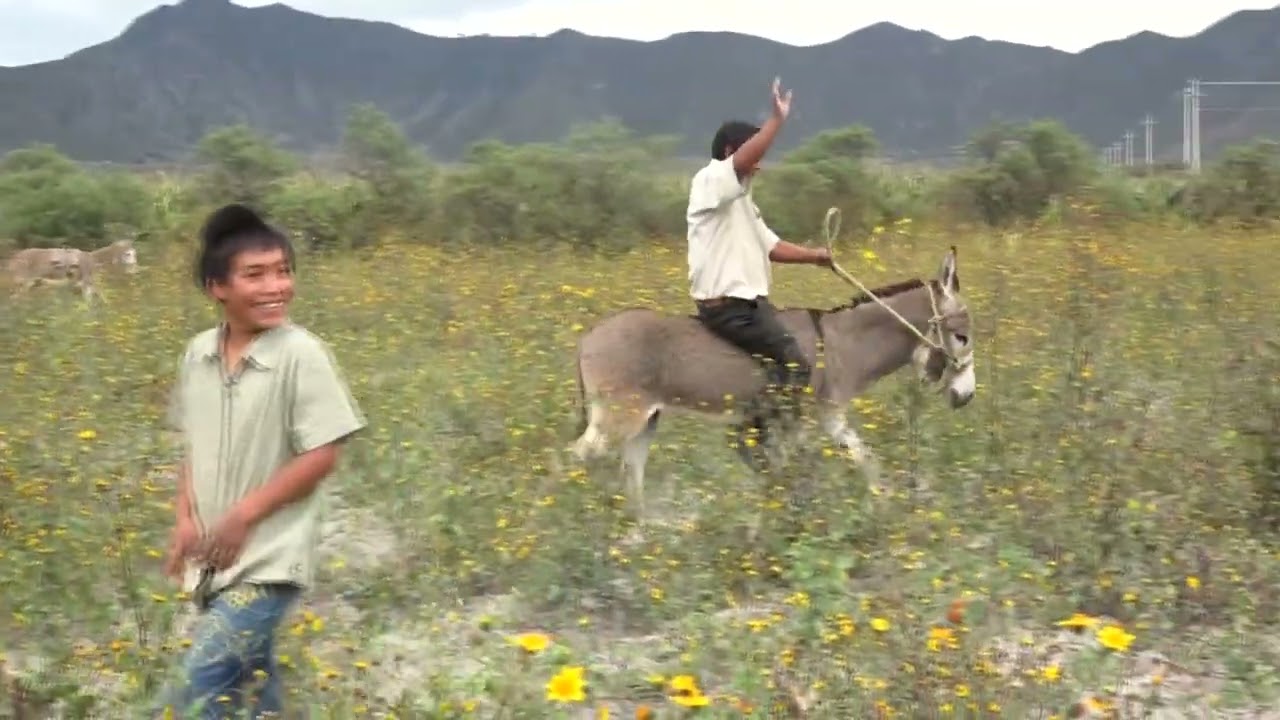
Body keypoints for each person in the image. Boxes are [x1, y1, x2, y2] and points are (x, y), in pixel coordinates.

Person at [157, 203, 367, 719]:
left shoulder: (302, 354)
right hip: (214, 559)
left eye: (283, 271)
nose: (276, 286)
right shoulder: (197, 354)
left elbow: (323, 453)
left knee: (195, 692)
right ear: (217, 287)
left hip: (268, 558)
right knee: (252, 689)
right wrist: (185, 520)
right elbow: (194, 445)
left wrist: (242, 517)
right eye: (256, 274)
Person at [686, 77, 833, 435]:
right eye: (755, 152)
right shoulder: (709, 180)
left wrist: (816, 256)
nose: (761, 163)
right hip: (730, 310)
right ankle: (755, 435)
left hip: (751, 306)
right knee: (797, 367)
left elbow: (772, 247)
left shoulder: (742, 202)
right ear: (730, 152)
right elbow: (744, 159)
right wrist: (777, 121)